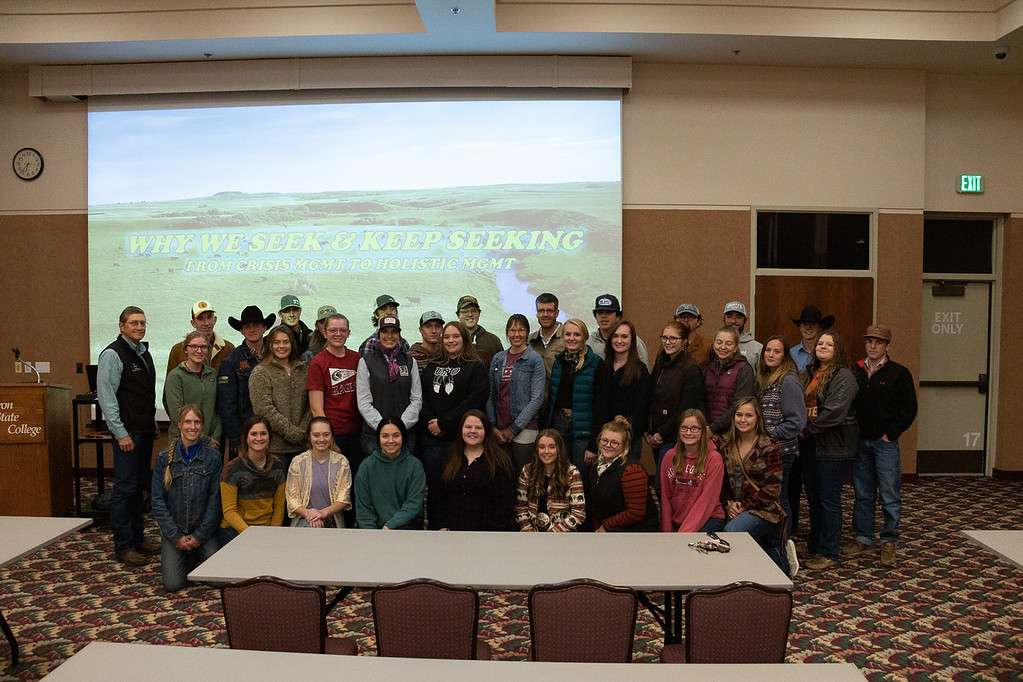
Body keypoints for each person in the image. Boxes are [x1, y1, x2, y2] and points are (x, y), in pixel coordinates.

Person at [847, 324, 918, 567]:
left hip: (884, 442)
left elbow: (909, 409)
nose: (873, 346)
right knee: (863, 493)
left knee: (889, 493)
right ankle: (863, 537)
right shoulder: (856, 371)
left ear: (887, 345)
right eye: (870, 341)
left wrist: (892, 433)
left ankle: (889, 540)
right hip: (860, 441)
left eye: (878, 342)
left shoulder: (899, 373)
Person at [97, 305, 160, 566]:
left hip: (144, 431)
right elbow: (107, 397)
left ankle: (138, 539)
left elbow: (145, 395)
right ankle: (124, 546)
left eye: (142, 323)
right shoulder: (112, 354)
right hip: (127, 434)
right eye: (134, 323)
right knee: (125, 489)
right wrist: (120, 433)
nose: (139, 327)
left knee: (138, 488)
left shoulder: (143, 353)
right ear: (122, 326)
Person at [419, 321, 489, 517]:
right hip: (431, 440)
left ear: (464, 339)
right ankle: (437, 528)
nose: (451, 340)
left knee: (458, 487)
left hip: (460, 440)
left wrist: (444, 423)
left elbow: (474, 400)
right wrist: (432, 422)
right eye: (447, 337)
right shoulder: (432, 366)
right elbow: (422, 397)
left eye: (456, 336)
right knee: (435, 487)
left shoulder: (475, 367)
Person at [802, 331, 859, 571]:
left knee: (828, 500)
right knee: (813, 497)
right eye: (820, 343)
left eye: (829, 344)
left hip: (833, 446)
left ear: (839, 349)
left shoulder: (844, 376)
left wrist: (805, 429)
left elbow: (834, 413)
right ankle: (817, 544)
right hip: (810, 444)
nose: (823, 346)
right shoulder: (810, 373)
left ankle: (829, 552)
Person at [150, 404, 222, 592]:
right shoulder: (164, 458)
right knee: (173, 584)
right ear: (180, 425)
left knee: (216, 580)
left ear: (202, 426)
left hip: (203, 532)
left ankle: (195, 552)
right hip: (175, 531)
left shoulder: (213, 457)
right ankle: (186, 554)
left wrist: (199, 536)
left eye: (197, 422)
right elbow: (157, 502)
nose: (193, 427)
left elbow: (215, 502)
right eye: (188, 422)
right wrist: (175, 536)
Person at [716, 397, 791, 575]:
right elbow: (723, 481)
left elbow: (772, 489)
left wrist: (742, 506)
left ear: (758, 418)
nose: (743, 419)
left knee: (732, 532)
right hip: (734, 506)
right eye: (739, 415)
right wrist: (728, 503)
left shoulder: (768, 446)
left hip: (764, 509)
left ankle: (781, 563)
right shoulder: (727, 444)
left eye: (749, 415)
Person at [431, 410, 516, 531]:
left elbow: (506, 502)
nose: (472, 431)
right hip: (451, 534)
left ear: (486, 431)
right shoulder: (447, 457)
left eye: (478, 428)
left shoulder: (500, 461)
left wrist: (494, 532)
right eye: (468, 427)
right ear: (461, 430)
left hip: (488, 535)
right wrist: (442, 525)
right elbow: (437, 496)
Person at [756, 335, 807, 532]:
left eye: (777, 351)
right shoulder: (765, 378)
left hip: (781, 451)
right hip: (767, 450)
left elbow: (797, 422)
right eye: (768, 350)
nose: (770, 354)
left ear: (785, 356)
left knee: (780, 498)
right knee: (771, 497)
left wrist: (770, 435)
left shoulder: (788, 381)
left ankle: (784, 544)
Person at [307, 313, 363, 490]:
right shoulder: (317, 363)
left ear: (348, 333)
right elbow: (317, 409)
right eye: (333, 330)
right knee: (335, 487)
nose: (338, 334)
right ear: (324, 332)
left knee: (355, 485)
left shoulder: (357, 359)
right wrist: (330, 441)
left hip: (358, 433)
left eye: (342, 330)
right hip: (335, 435)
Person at [546, 319, 608, 471]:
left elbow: (602, 405)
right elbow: (553, 398)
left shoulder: (596, 363)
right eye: (568, 334)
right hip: (559, 425)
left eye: (576, 334)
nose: (571, 338)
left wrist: (594, 444)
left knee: (581, 474)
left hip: (583, 430)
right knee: (560, 471)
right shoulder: (559, 362)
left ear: (584, 337)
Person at [487, 314, 546, 471]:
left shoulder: (534, 359)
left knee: (523, 477)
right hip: (498, 429)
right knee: (502, 477)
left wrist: (513, 429)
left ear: (527, 332)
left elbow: (537, 399)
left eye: (521, 330)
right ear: (507, 333)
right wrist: (493, 426)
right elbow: (491, 395)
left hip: (525, 428)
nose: (516, 334)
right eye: (512, 330)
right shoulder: (498, 358)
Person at [356, 315, 422, 455]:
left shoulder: (410, 361)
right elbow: (363, 402)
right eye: (385, 332)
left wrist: (400, 427)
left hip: (405, 434)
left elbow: (416, 399)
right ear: (379, 334)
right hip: (374, 435)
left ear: (399, 335)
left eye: (394, 332)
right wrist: (383, 428)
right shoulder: (366, 361)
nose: (389, 336)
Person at [646, 321, 705, 477]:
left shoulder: (691, 369)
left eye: (673, 338)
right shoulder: (661, 362)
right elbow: (651, 396)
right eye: (664, 338)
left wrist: (662, 433)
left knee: (665, 483)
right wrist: (649, 429)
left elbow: (686, 409)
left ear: (684, 341)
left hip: (674, 437)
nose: (668, 342)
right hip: (655, 434)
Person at [248, 324, 311, 471]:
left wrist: (302, 431)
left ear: (292, 344)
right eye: (276, 342)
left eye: (285, 342)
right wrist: (291, 432)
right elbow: (264, 409)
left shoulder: (304, 369)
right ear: (269, 345)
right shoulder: (260, 372)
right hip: (275, 450)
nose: (281, 346)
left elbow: (311, 404)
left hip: (303, 448)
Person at [218, 305, 275, 457]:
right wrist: (237, 439)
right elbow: (227, 405)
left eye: (256, 325)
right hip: (245, 436)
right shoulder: (231, 361)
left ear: (264, 327)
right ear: (241, 330)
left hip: (274, 434)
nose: (252, 329)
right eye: (247, 326)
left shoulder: (276, 356)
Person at [219, 416, 287, 542]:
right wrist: (251, 535)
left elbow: (279, 507)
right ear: (246, 437)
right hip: (236, 530)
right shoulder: (231, 469)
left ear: (269, 437)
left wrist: (272, 533)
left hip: (267, 529)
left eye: (263, 434)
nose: (259, 438)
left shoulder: (278, 467)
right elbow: (229, 511)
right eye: (254, 434)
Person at [585, 417, 657, 532]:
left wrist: (605, 526)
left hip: (636, 533)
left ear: (625, 446)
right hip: (609, 529)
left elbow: (635, 513)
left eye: (614, 443)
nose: (608, 445)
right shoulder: (595, 465)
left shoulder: (632, 470)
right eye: (604, 440)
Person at [659, 410, 726, 533]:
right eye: (684, 428)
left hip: (708, 519)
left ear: (703, 431)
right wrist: (667, 533)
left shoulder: (714, 458)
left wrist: (683, 535)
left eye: (694, 428)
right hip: (678, 521)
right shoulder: (669, 456)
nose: (688, 432)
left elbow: (707, 501)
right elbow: (666, 497)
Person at [354, 418, 426, 530]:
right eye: (385, 436)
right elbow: (363, 509)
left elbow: (413, 504)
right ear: (378, 438)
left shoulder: (415, 466)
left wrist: (390, 525)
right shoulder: (366, 467)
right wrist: (372, 534)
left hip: (407, 530)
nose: (391, 440)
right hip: (373, 532)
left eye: (396, 435)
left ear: (403, 437)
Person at [285, 417, 353, 528]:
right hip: (304, 519)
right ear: (309, 437)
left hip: (332, 519)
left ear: (332, 437)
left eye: (326, 435)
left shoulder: (341, 462)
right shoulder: (298, 462)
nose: (321, 439)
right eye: (316, 435)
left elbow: (343, 498)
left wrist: (322, 513)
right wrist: (310, 514)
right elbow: (292, 499)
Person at [515, 429, 586, 532]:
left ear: (559, 449)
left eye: (552, 447)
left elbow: (579, 513)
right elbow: (520, 507)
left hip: (562, 534)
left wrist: (553, 534)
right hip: (532, 534)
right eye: (542, 447)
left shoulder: (572, 472)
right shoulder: (527, 471)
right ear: (536, 450)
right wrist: (528, 530)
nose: (546, 451)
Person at [164, 330, 221, 448]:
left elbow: (219, 408)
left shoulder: (213, 375)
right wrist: (204, 439)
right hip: (182, 442)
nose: (199, 351)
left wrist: (216, 436)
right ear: (186, 349)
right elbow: (176, 413)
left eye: (203, 347)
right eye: (194, 346)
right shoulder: (175, 376)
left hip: (211, 444)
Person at [603, 319, 650, 458]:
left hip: (629, 439)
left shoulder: (640, 370)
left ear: (632, 340)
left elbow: (642, 407)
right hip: (605, 438)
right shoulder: (603, 367)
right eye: (616, 336)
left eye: (624, 336)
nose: (619, 340)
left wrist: (627, 426)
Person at [704, 326, 755, 435]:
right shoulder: (708, 368)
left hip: (731, 433)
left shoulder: (744, 369)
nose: (722, 347)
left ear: (736, 347)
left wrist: (714, 428)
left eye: (728, 343)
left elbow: (739, 405)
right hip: (706, 430)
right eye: (719, 342)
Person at [164, 300, 235, 374]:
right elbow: (170, 383)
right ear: (193, 323)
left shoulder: (228, 348)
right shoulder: (178, 350)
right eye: (201, 318)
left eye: (209, 317)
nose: (206, 323)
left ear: (215, 320)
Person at [586, 294, 650, 368]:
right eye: (600, 312)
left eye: (608, 312)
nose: (603, 316)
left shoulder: (634, 342)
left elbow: (644, 372)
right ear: (595, 316)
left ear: (618, 316)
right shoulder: (589, 342)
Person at [455, 295, 503, 367]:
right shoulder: (450, 340)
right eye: (465, 312)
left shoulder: (493, 341)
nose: (470, 314)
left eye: (474, 311)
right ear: (458, 315)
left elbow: (501, 368)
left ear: (479, 313)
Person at [528, 292, 565, 377]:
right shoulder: (529, 340)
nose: (545, 315)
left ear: (557, 313)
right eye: (541, 311)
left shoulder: (568, 338)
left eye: (549, 311)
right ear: (537, 313)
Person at [790, 305, 834, 375]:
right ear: (800, 327)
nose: (808, 327)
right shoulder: (791, 354)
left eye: (813, 324)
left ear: (820, 327)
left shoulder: (828, 352)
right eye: (804, 324)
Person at [722, 300, 762, 369]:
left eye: (738, 317)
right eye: (729, 317)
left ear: (745, 320)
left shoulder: (757, 348)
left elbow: (761, 378)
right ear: (723, 319)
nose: (733, 321)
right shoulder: (717, 346)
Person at [674, 303, 710, 367]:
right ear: (675, 320)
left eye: (690, 317)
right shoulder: (668, 344)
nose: (686, 320)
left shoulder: (708, 346)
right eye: (682, 317)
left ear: (698, 321)